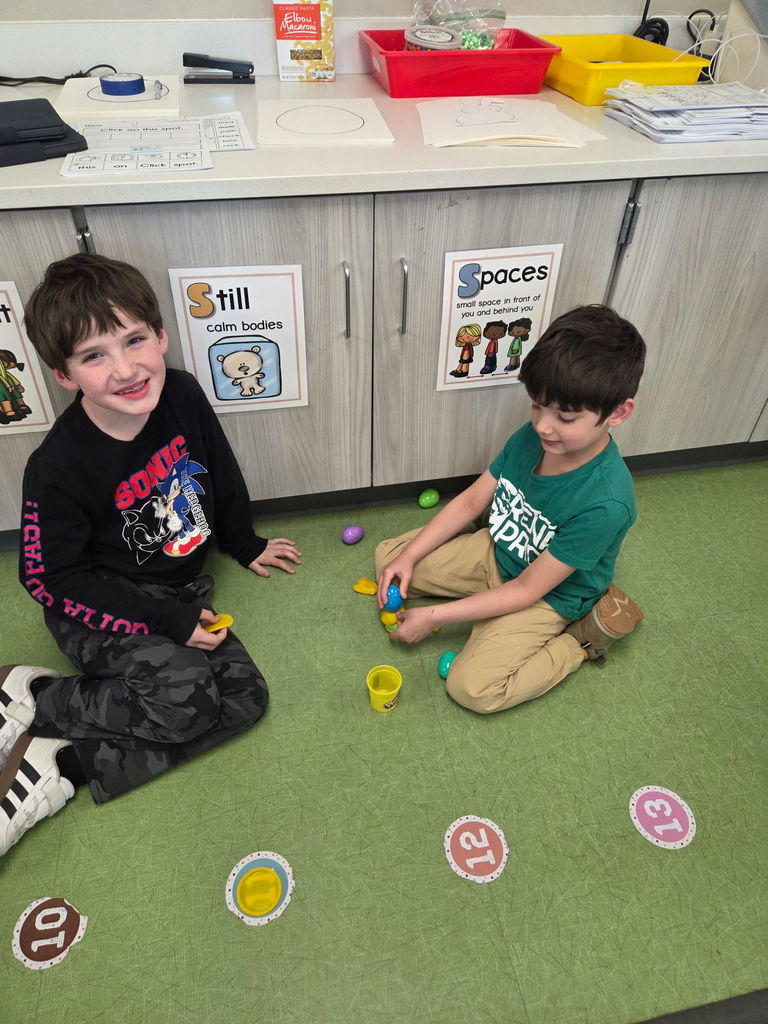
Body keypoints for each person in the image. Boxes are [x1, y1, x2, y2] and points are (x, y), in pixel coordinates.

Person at [0, 254, 302, 856]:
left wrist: (243, 542)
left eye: (134, 339)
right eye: (94, 356)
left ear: (160, 336)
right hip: (97, 602)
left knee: (246, 700)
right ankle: (36, 698)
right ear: (64, 375)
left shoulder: (182, 393)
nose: (125, 368)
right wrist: (167, 621)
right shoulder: (56, 466)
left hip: (175, 592)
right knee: (186, 701)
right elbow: (48, 578)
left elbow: (218, 470)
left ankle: (63, 764)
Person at [376, 304, 646, 715]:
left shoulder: (607, 504)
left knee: (473, 689)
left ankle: (580, 641)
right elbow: (472, 500)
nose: (542, 425)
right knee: (390, 560)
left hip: (547, 595)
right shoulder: (534, 437)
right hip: (499, 551)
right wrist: (410, 556)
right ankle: (480, 589)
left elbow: (526, 591)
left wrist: (433, 616)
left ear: (618, 413)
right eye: (537, 406)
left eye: (565, 417)